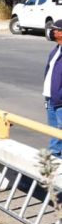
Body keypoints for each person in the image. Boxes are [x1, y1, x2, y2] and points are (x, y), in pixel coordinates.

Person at [44, 20, 62, 157]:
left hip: (60, 102)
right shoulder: (55, 50)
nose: (52, 32)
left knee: (59, 132)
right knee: (53, 132)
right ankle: (55, 159)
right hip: (51, 99)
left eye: (55, 30)